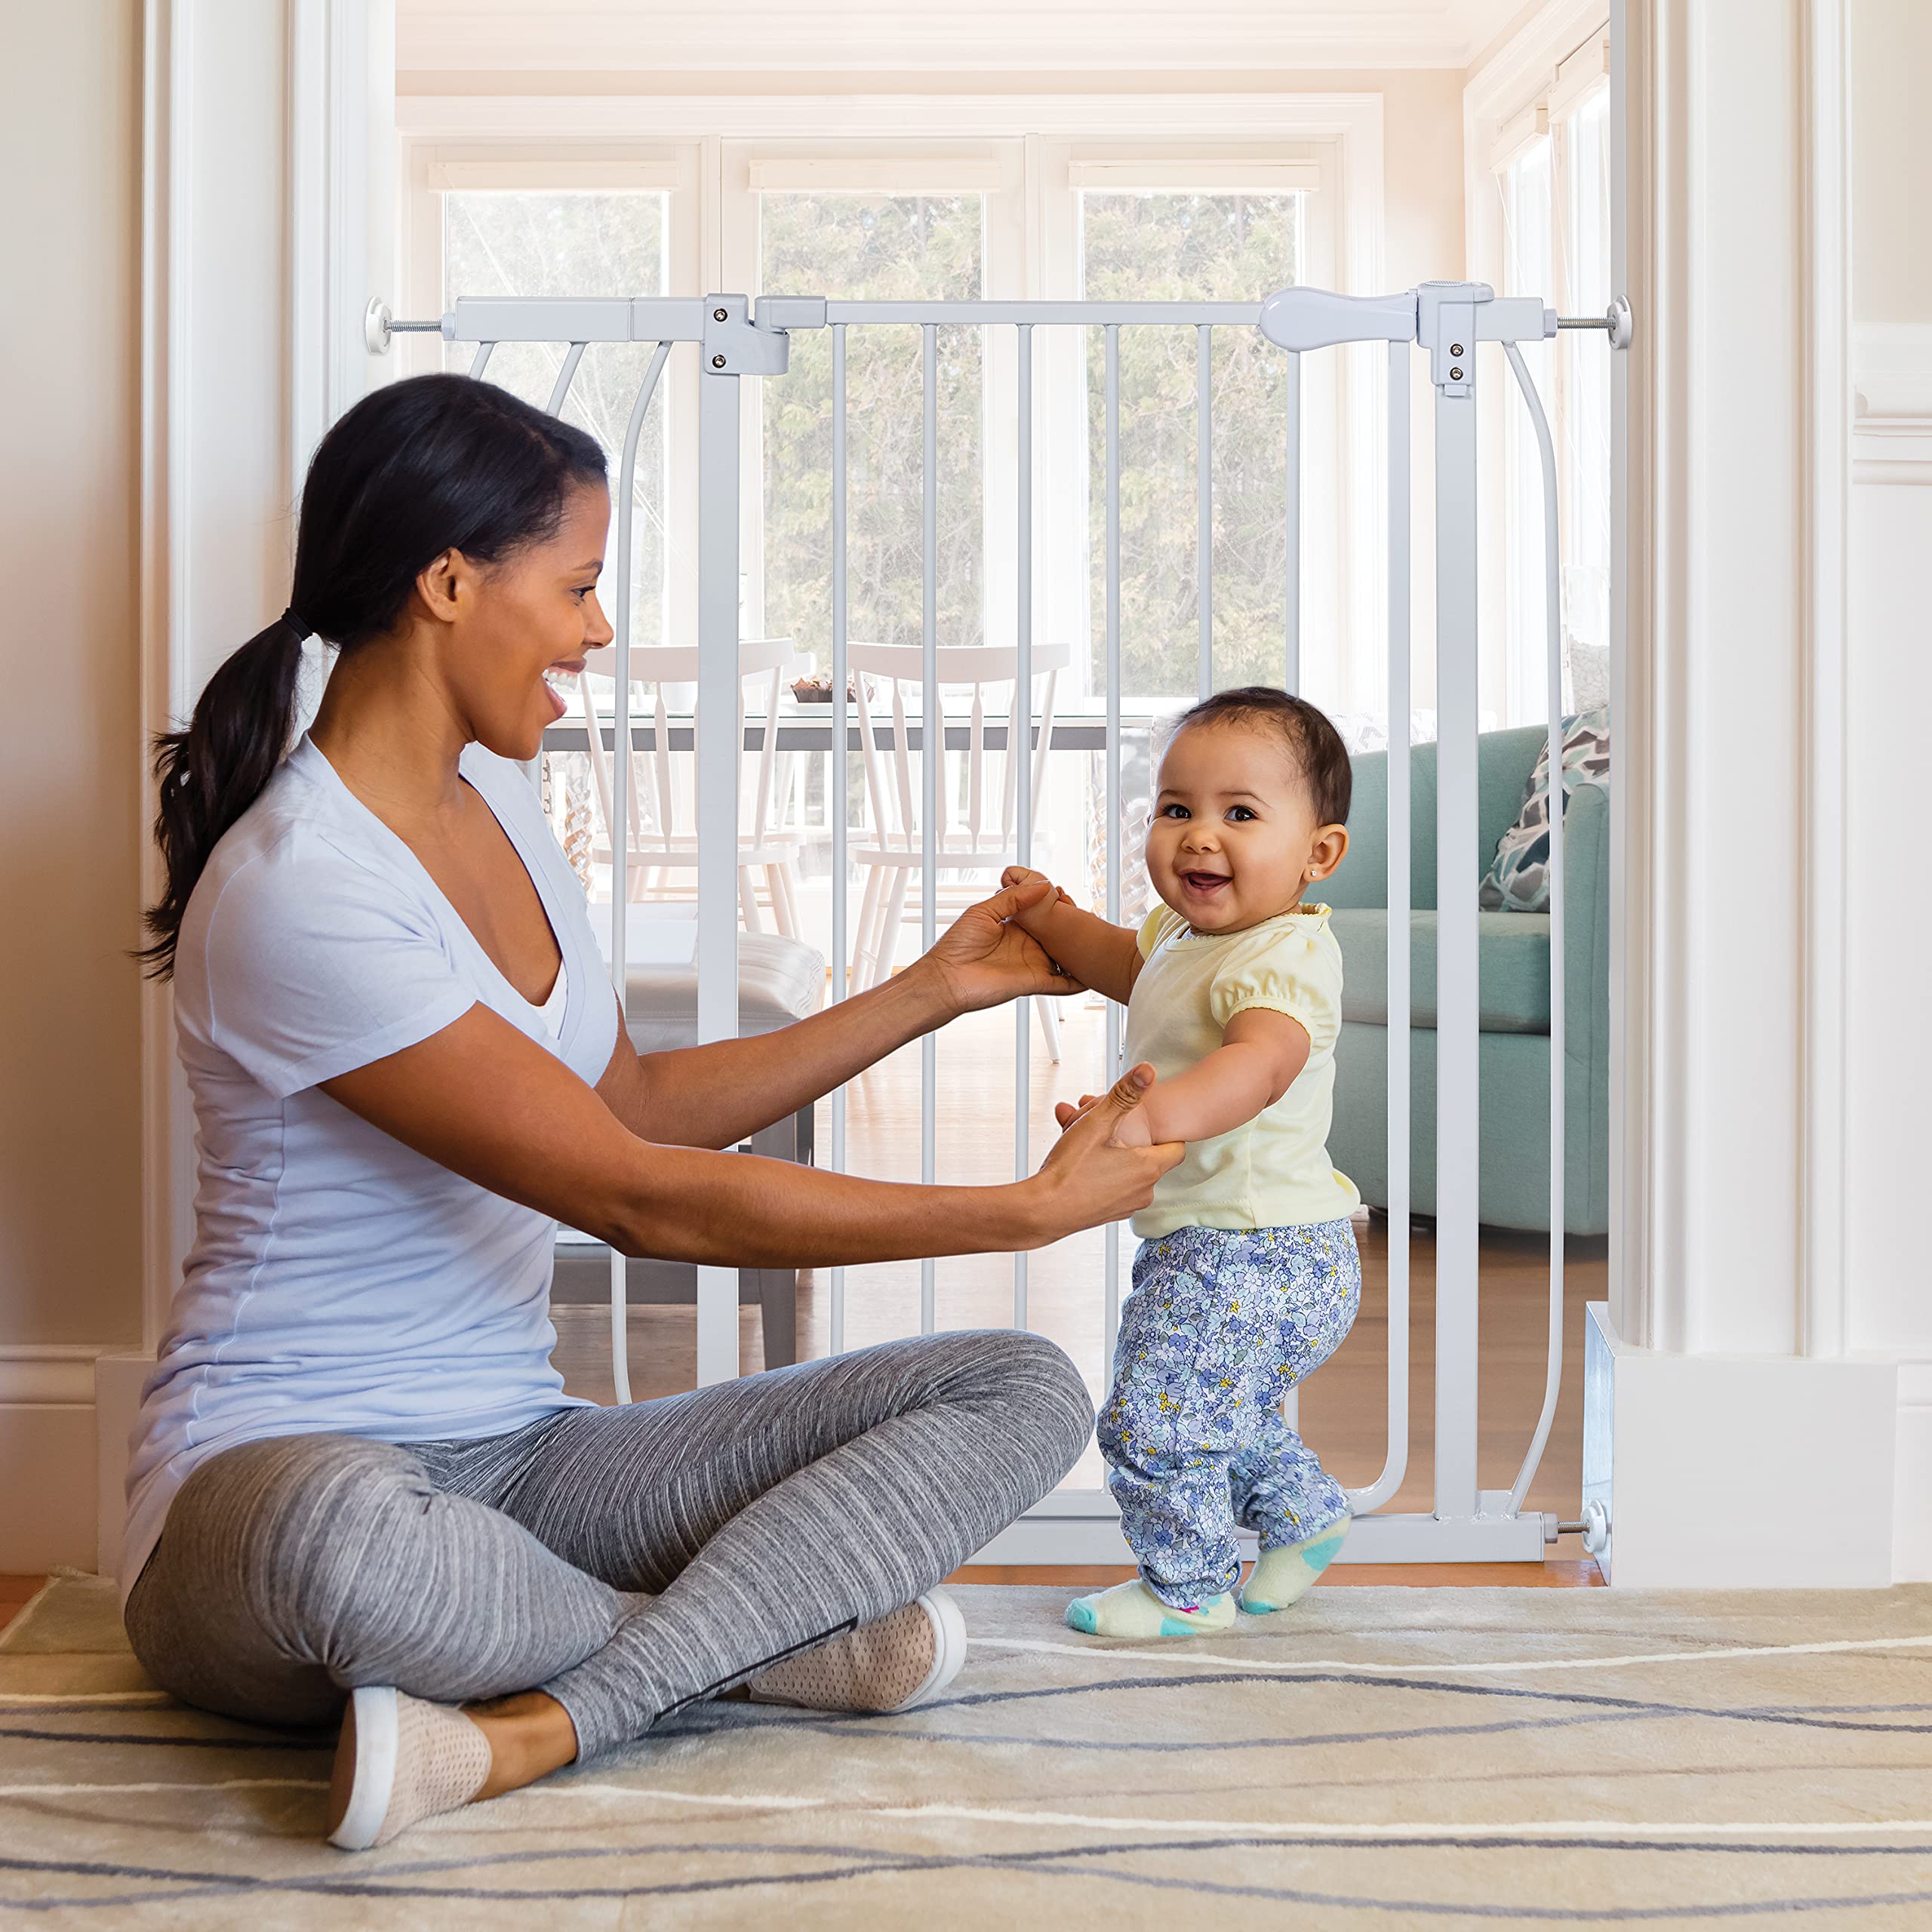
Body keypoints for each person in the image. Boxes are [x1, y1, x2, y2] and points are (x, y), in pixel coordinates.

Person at [125, 373, 1178, 1850]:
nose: (598, 631)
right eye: (576, 586)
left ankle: (556, 1703)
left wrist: (927, 990)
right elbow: (632, 1195)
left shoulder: (493, 816)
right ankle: (765, 1643)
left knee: (1019, 1387)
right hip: (271, 1484)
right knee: (339, 1539)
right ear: (446, 584)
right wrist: (1018, 1208)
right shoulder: (301, 882)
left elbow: (631, 1104)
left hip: (526, 1462)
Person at [1001, 686, 1362, 1638]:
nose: (1199, 836)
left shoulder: (1283, 957)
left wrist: (1144, 1118)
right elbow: (1125, 964)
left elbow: (1260, 1064)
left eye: (1239, 814)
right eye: (1176, 809)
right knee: (1221, 1408)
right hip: (1241, 1247)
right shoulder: (1182, 935)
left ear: (1317, 854)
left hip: (1254, 1253)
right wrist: (1050, 917)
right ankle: (1302, 1519)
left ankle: (1190, 1588)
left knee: (1154, 1424)